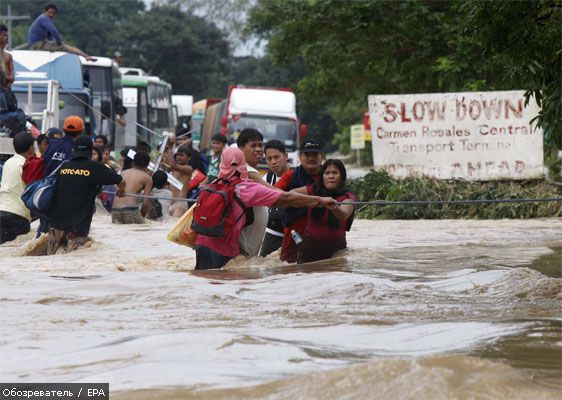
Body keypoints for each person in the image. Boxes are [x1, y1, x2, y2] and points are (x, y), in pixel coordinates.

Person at [193, 147, 337, 270]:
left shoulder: (213, 184)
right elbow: (286, 199)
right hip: (224, 251)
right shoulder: (246, 188)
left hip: (201, 245)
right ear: (242, 162)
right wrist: (319, 200)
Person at [47, 135, 124, 254]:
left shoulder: (64, 166)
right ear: (90, 151)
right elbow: (121, 181)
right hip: (77, 229)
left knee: (51, 261)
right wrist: (121, 190)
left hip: (55, 226)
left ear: (73, 150)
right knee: (75, 263)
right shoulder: (95, 167)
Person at [291, 160, 355, 263]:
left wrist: (334, 207)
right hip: (309, 247)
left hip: (336, 249)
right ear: (322, 176)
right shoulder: (312, 190)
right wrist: (314, 200)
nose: (331, 176)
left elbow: (344, 214)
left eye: (335, 173)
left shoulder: (347, 196)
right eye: (327, 173)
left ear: (341, 176)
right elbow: (291, 193)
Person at [275, 138, 324, 263]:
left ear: (322, 156)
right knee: (288, 266)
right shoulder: (290, 175)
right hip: (294, 234)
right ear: (300, 157)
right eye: (307, 155)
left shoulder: (330, 174)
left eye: (314, 154)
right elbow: (273, 195)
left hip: (322, 233)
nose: (311, 158)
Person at [38, 116, 85, 236]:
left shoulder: (52, 145)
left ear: (64, 130)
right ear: (81, 132)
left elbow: (44, 164)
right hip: (64, 197)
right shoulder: (76, 150)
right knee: (62, 236)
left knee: (44, 233)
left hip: (45, 194)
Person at [236, 128, 272, 257]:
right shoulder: (248, 171)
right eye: (253, 145)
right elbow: (276, 195)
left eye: (260, 145)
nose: (258, 149)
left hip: (244, 247)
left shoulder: (241, 169)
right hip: (241, 248)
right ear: (240, 149)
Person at [27, 3, 96, 61]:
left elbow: (50, 36)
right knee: (65, 47)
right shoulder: (44, 18)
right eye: (49, 12)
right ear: (45, 12)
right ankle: (86, 56)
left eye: (53, 13)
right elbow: (54, 31)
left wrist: (56, 43)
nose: (51, 15)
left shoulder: (43, 19)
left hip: (37, 44)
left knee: (59, 46)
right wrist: (59, 42)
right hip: (36, 45)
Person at [0, 132, 35, 244]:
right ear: (31, 148)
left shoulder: (7, 163)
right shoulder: (27, 165)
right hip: (18, 216)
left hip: (2, 210)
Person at [259, 140, 291, 257]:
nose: (273, 162)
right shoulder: (267, 178)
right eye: (269, 158)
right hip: (273, 231)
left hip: (294, 232)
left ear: (286, 156)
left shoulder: (297, 175)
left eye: (276, 157)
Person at [111, 151, 152, 224]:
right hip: (131, 209)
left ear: (133, 162)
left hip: (115, 209)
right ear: (147, 165)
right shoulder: (147, 178)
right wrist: (142, 216)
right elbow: (145, 203)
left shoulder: (123, 173)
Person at [165, 145, 193, 218]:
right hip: (170, 203)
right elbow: (167, 162)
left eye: (182, 155)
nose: (179, 157)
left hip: (180, 204)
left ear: (189, 158)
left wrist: (170, 148)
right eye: (177, 155)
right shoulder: (174, 168)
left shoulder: (188, 169)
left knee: (174, 225)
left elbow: (172, 165)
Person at [0, 25, 14, 90]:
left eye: (6, 36)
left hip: (6, 90)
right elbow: (3, 74)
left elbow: (12, 76)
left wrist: (9, 83)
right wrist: (8, 77)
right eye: (3, 36)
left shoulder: (8, 56)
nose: (5, 38)